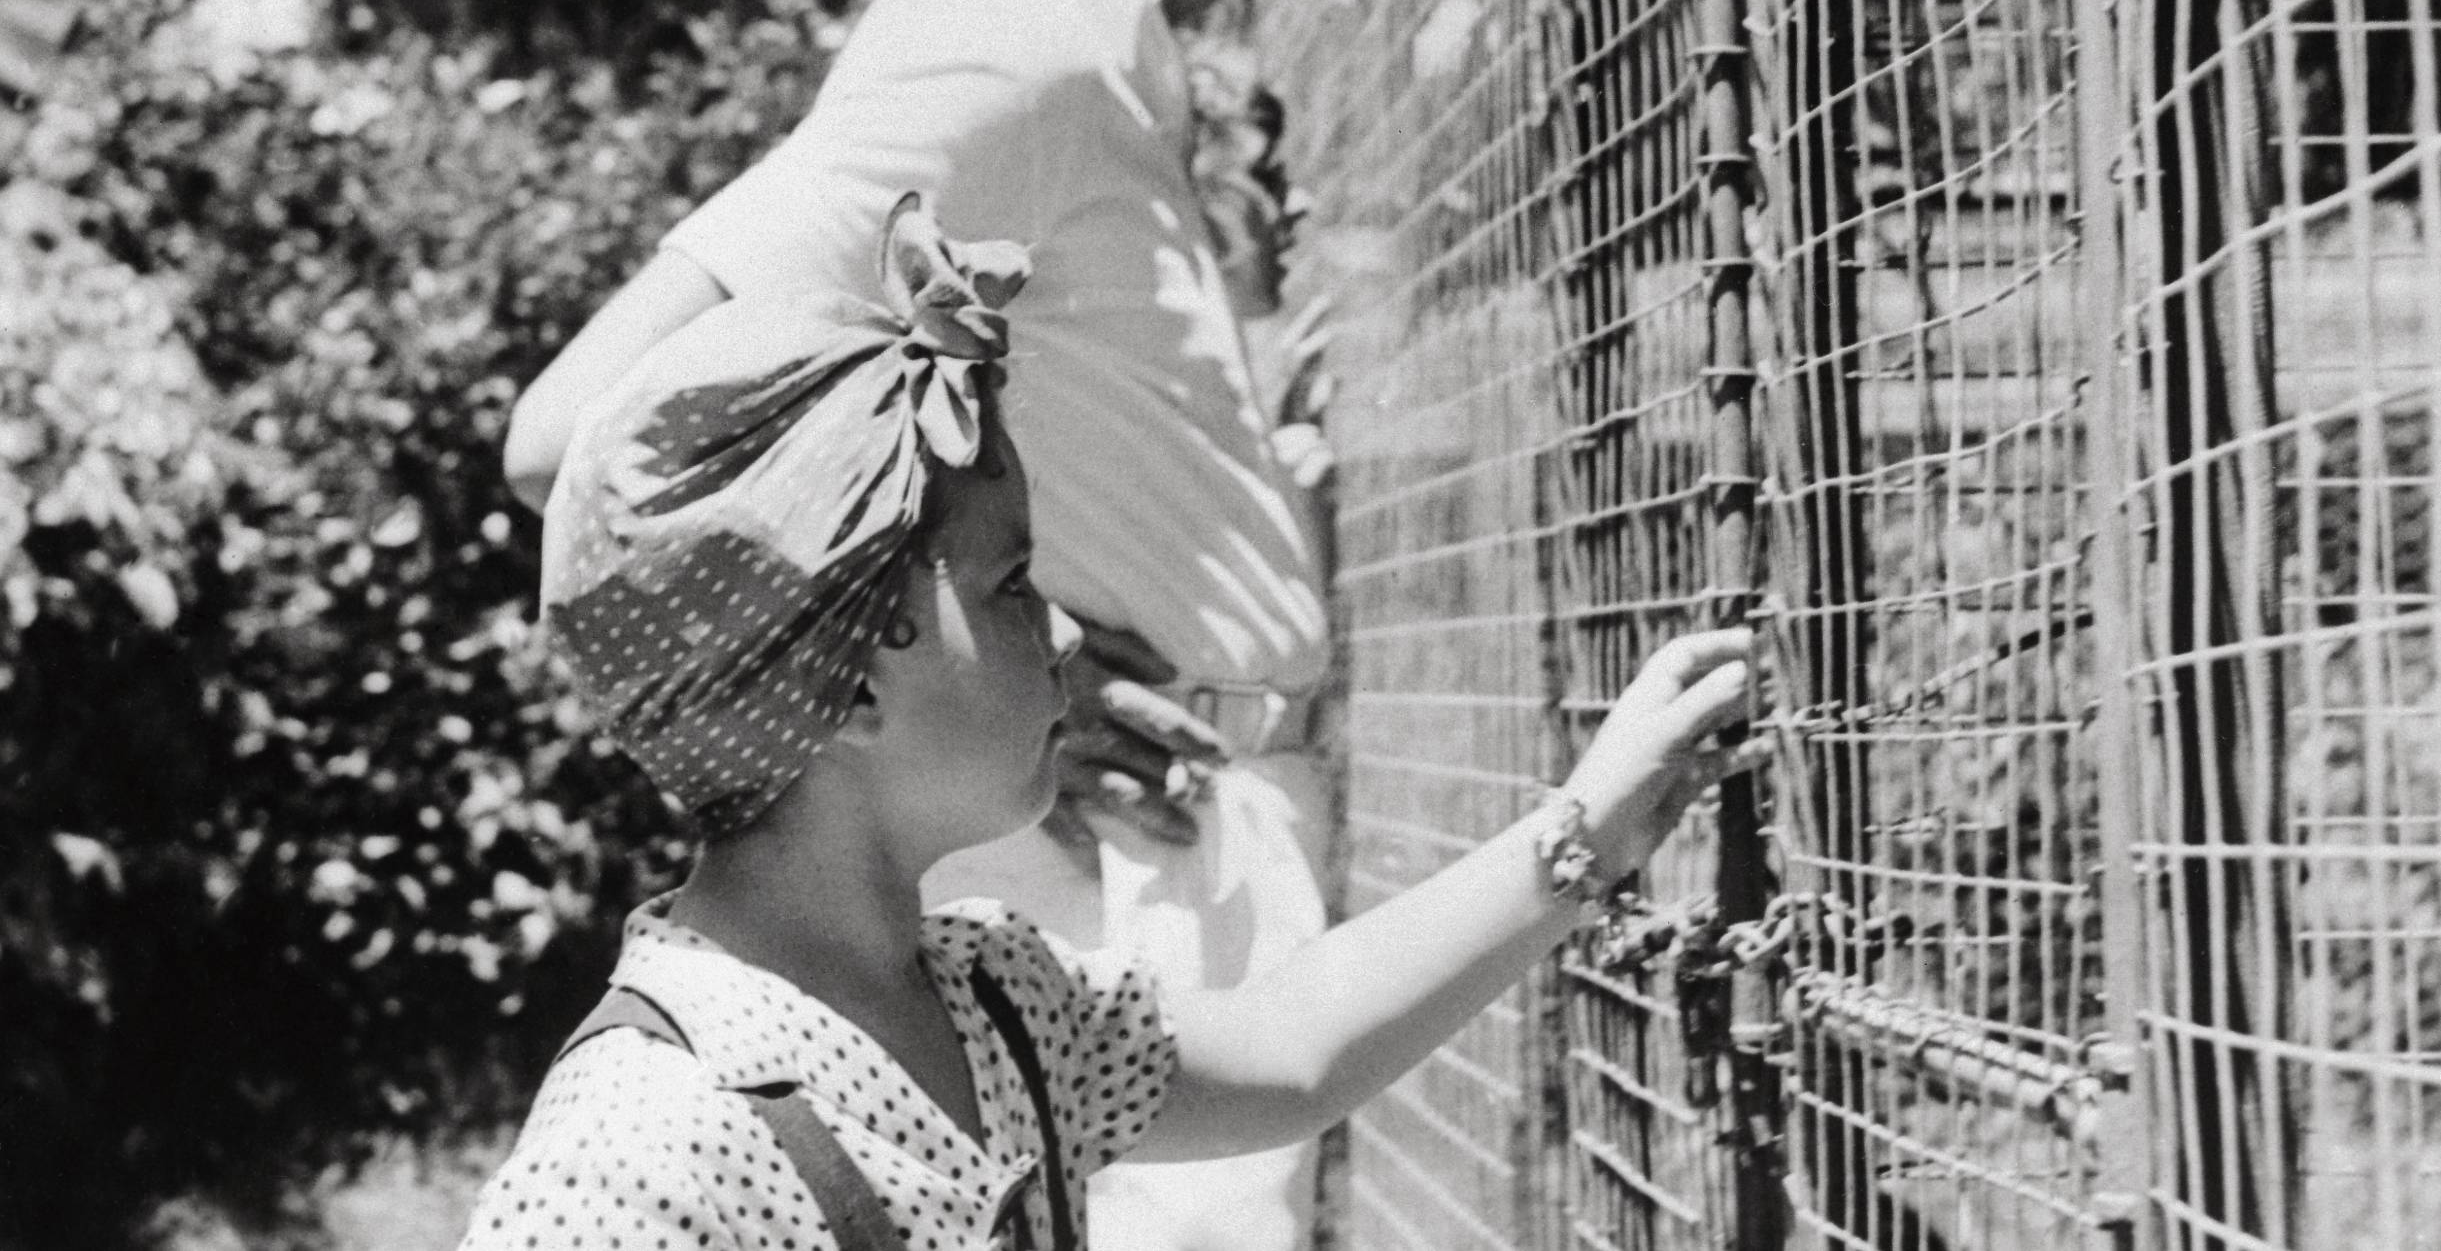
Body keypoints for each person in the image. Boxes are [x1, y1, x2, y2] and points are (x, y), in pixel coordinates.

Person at [501, 0, 1422, 1249]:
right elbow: (580, 436)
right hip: (1116, 886)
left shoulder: (1095, 37)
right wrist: (1031, 681)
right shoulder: (1012, 25)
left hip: (1171, 869)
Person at [461, 199, 1757, 1251]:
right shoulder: (646, 1152)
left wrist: (1585, 827)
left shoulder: (993, 1001)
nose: (1068, 637)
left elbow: (1293, 1044)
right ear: (847, 683)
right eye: (1013, 584)